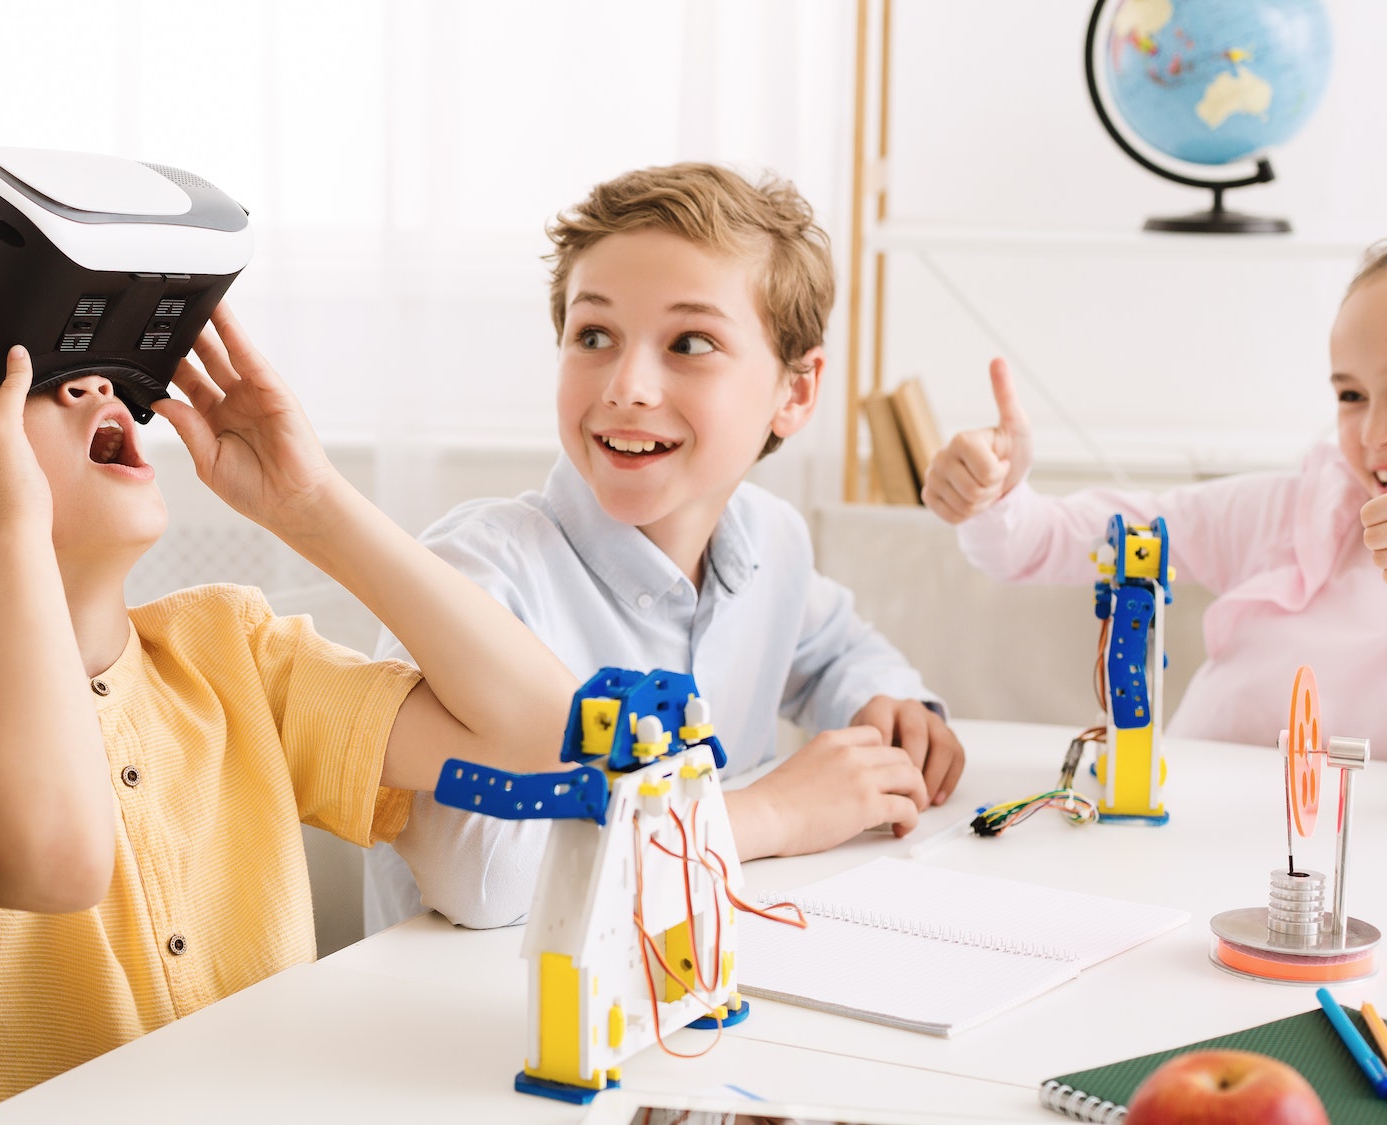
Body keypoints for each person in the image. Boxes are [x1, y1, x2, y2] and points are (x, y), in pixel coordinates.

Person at [0, 290, 577, 1123]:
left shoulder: (229, 648)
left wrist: (312, 505)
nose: (98, 391)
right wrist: (6, 534)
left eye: (92, 373)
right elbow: (53, 856)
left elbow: (548, 742)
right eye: (29, 382)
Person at [364, 163, 965, 934]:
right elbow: (484, 876)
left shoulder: (768, 538)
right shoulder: (477, 573)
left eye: (689, 342)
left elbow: (833, 647)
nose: (628, 385)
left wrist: (890, 702)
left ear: (797, 391)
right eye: (594, 336)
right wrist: (768, 814)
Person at [923, 236, 1387, 760]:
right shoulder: (1293, 511)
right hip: (1191, 813)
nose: (1374, 433)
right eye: (1351, 396)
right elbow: (1043, 541)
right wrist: (997, 492)